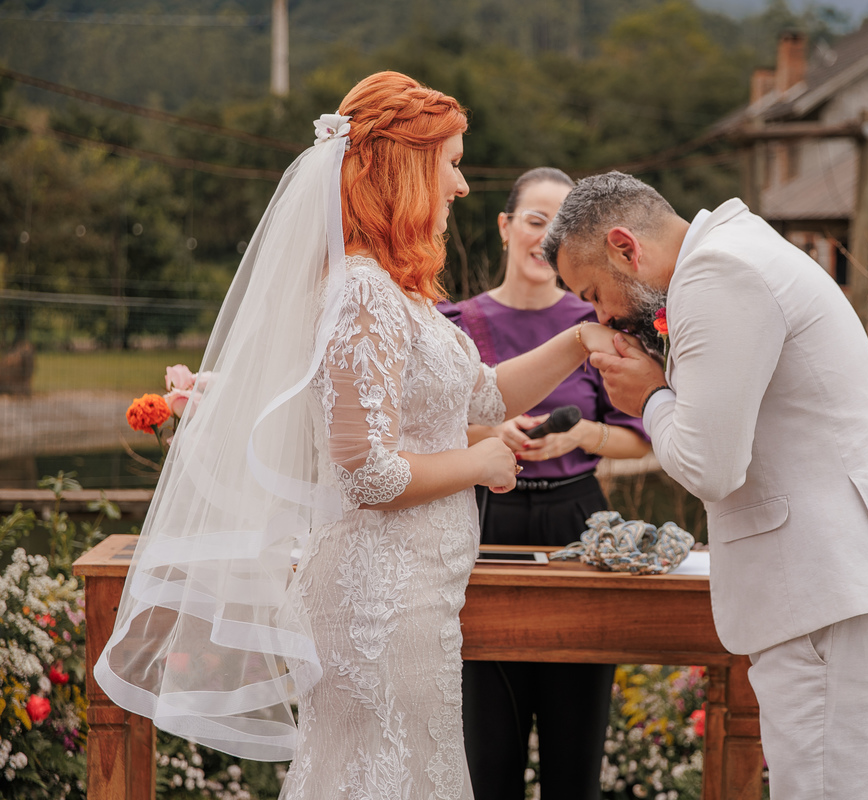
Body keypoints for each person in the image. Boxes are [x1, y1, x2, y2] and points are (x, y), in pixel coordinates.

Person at [93, 73, 631, 800]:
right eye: (451, 164)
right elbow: (366, 473)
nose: (461, 186)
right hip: (377, 600)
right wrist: (479, 460)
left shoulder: (395, 290)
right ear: (406, 169)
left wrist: (580, 340)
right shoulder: (361, 292)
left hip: (418, 593)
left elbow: (486, 393)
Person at [541, 171, 868, 800]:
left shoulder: (719, 274)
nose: (600, 315)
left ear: (625, 247)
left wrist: (648, 397)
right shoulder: (738, 250)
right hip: (839, 582)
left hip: (828, 588)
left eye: (594, 293)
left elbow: (709, 465)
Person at [440, 167, 651, 800]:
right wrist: (489, 435)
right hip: (483, 521)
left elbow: (643, 436)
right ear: (506, 227)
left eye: (560, 226)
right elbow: (421, 429)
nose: (545, 238)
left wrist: (582, 435)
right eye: (535, 221)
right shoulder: (453, 323)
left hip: (578, 523)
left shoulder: (603, 320)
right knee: (486, 750)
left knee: (576, 747)